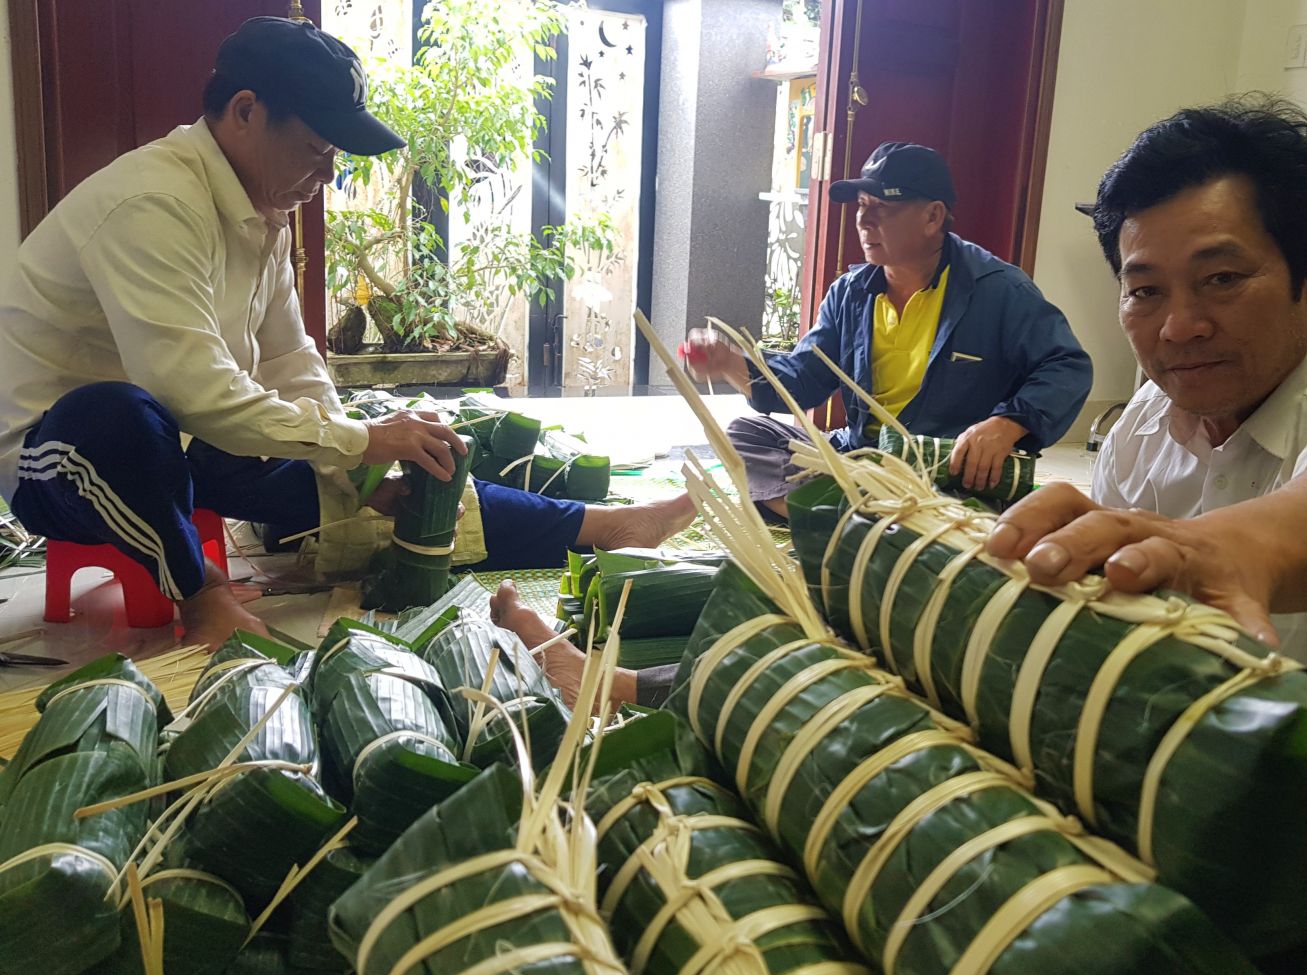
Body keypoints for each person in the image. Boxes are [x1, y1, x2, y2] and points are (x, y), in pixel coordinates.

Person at [0, 16, 691, 649]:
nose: (328, 174)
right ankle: (202, 593)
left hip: (181, 446)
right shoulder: (153, 202)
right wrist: (359, 441)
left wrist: (356, 464)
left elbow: (286, 356)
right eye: (315, 148)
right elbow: (191, 390)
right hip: (59, 460)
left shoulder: (260, 210)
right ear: (245, 112)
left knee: (369, 462)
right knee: (126, 416)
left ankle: (594, 526)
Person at [983, 97, 1307, 909]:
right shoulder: (1140, 430)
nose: (1181, 327)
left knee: (1218, 954)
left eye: (1223, 279)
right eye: (1146, 291)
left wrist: (1231, 550)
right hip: (1195, 760)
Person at [682, 141, 1092, 517]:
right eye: (861, 204)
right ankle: (874, 519)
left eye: (882, 206)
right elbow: (805, 380)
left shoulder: (999, 289)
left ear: (933, 216)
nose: (863, 219)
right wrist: (731, 363)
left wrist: (1005, 425)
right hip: (861, 458)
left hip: (943, 470)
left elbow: (1067, 367)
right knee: (744, 436)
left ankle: (837, 515)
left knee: (959, 498)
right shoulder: (851, 292)